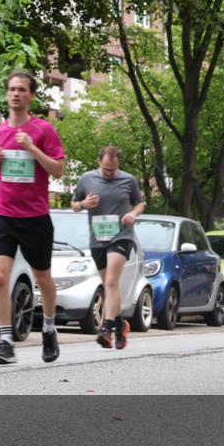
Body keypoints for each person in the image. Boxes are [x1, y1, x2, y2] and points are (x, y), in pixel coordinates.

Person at [0, 71, 66, 365]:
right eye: (11, 89)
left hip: (35, 216)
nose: (16, 94)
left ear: (31, 96)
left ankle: (48, 328)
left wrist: (32, 148)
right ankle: (6, 342)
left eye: (21, 89)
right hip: (3, 214)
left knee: (42, 278)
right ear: (6, 94)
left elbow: (58, 170)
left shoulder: (43, 130)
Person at [71, 146, 145, 349]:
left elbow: (140, 204)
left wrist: (133, 214)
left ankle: (107, 327)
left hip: (121, 236)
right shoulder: (87, 179)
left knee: (111, 280)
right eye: (106, 169)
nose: (109, 173)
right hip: (98, 238)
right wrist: (84, 204)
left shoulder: (128, 180)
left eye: (113, 170)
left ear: (118, 163)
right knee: (108, 285)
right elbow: (74, 205)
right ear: (99, 162)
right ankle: (121, 325)